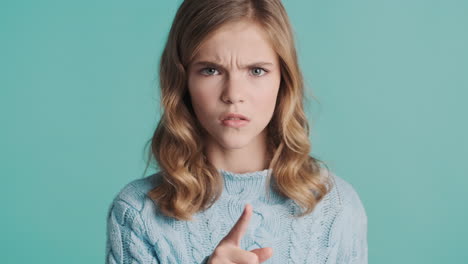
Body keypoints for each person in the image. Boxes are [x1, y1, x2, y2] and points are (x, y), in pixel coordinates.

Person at [105, 0, 368, 263]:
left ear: (283, 81)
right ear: (182, 81)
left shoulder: (336, 207)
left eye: (256, 71)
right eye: (211, 70)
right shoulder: (138, 212)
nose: (233, 95)